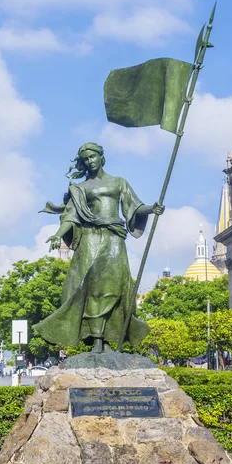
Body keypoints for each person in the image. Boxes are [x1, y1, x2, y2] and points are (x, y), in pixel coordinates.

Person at [34, 142, 164, 354]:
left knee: (114, 287)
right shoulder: (79, 189)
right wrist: (58, 235)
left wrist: (152, 208)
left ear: (101, 158)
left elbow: (134, 206)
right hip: (90, 239)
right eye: (85, 159)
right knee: (91, 289)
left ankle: (108, 338)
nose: (89, 161)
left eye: (92, 157)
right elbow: (71, 216)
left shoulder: (118, 182)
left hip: (114, 239)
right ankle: (97, 341)